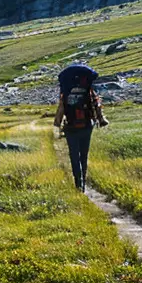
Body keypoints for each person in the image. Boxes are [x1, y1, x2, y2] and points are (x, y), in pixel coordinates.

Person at [53, 63, 108, 191]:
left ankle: (78, 182)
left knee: (74, 155)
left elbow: (61, 109)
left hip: (71, 127)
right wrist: (100, 119)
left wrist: (57, 123)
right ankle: (83, 178)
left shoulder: (66, 93)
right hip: (87, 125)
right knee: (84, 154)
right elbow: (97, 105)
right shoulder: (88, 91)